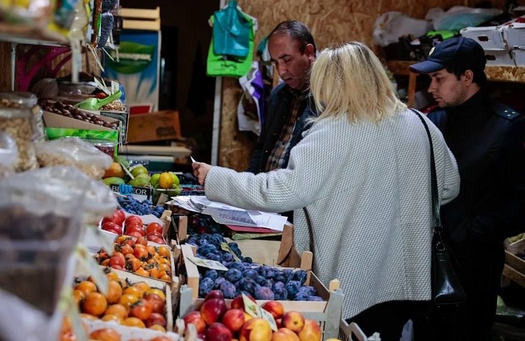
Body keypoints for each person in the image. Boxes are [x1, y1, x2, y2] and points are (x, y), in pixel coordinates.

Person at [194, 42, 460, 340]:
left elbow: (280, 191)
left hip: (356, 283)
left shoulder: (332, 132)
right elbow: (448, 186)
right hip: (414, 280)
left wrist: (215, 178)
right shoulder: (422, 124)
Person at [409, 36, 524, 341]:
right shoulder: (434, 121)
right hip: (425, 263)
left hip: (473, 270)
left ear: (468, 77)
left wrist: (473, 231)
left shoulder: (506, 127)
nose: (430, 88)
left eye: (438, 78)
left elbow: (522, 203)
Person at [247, 20, 317, 174]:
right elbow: (261, 148)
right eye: (275, 63)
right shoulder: (278, 94)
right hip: (263, 191)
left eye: (286, 60)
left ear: (309, 53)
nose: (281, 71)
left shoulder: (325, 99)